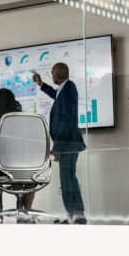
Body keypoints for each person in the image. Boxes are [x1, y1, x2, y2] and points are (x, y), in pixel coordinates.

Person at [33, 62, 87, 224]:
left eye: (52, 72)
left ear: (58, 74)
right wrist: (41, 84)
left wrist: (58, 146)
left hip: (68, 145)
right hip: (67, 145)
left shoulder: (69, 88)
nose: (51, 75)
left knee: (68, 180)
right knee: (67, 180)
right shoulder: (65, 88)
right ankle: (74, 216)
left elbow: (67, 119)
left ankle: (77, 216)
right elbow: (56, 95)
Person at [0, 88, 35, 212]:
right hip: (27, 168)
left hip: (3, 169)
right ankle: (27, 211)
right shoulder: (25, 120)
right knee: (28, 178)